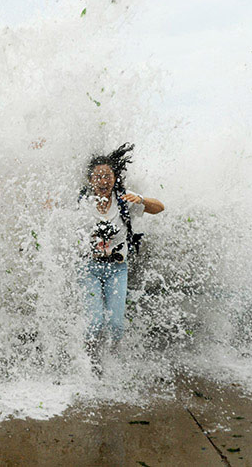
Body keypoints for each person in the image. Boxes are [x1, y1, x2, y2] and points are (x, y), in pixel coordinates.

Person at [76, 143, 164, 354]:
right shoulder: (83, 202)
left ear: (115, 177)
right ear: (90, 180)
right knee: (95, 322)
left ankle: (112, 358)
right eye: (98, 177)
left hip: (117, 269)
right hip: (90, 268)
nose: (103, 181)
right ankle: (89, 361)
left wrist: (141, 199)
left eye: (107, 176)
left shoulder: (125, 199)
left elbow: (159, 208)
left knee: (116, 326)